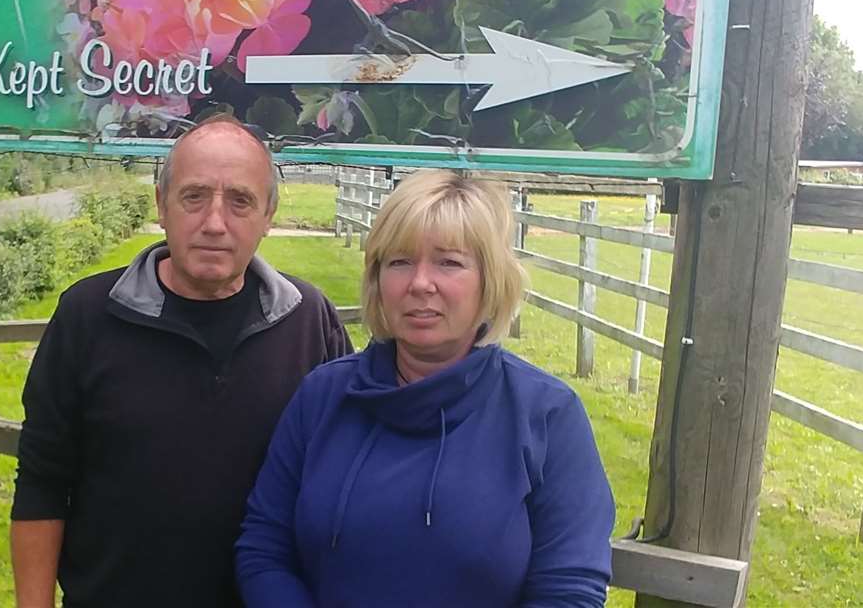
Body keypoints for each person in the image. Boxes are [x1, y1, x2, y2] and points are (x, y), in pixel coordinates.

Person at [10, 114, 353, 608]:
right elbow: (43, 480)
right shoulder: (88, 315)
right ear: (162, 205)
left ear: (268, 216)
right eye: (194, 197)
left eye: (240, 201)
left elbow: (348, 477)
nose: (215, 223)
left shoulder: (307, 320)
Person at [237, 170, 615, 608]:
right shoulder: (323, 396)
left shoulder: (546, 415)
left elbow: (570, 588)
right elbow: (264, 548)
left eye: (448, 262)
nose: (419, 283)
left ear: (490, 280)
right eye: (399, 262)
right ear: (378, 279)